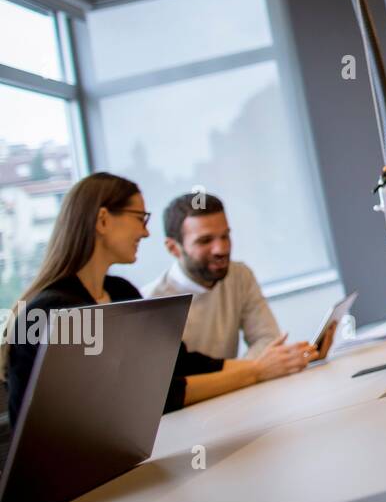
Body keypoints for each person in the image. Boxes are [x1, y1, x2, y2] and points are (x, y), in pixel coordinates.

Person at [3, 173, 317, 424]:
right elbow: (151, 396)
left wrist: (269, 365)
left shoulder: (122, 292)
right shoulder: (55, 310)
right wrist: (256, 371)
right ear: (102, 221)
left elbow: (179, 363)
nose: (146, 233)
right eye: (140, 218)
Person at [145, 192, 332, 361]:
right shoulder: (151, 303)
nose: (221, 249)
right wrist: (252, 372)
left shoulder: (239, 275)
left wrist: (246, 374)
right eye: (205, 240)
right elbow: (175, 381)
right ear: (173, 248)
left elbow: (267, 339)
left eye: (225, 236)